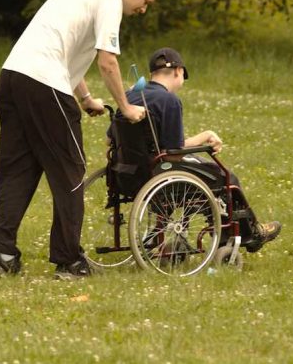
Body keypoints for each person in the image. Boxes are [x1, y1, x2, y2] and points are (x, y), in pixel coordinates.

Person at [0, 0, 160, 280]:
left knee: (16, 169)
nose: (143, 9)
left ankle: (2, 254)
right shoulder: (110, 0)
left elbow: (63, 50)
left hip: (12, 77)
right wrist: (126, 107)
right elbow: (108, 62)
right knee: (70, 171)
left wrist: (86, 98)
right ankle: (69, 261)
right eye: (145, 1)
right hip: (44, 82)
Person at [111, 47, 282, 253]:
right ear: (178, 71)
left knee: (201, 169)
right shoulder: (169, 101)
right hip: (159, 174)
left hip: (127, 176)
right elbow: (174, 153)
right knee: (226, 178)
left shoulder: (129, 97)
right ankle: (249, 234)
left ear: (152, 74)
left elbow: (110, 139)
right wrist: (206, 136)